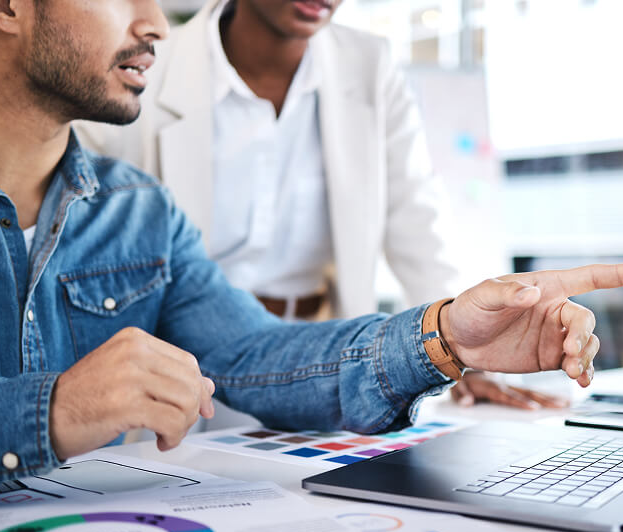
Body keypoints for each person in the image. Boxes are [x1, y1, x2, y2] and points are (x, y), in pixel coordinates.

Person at [0, 0, 623, 484]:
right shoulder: (154, 115)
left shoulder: (139, 213)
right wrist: (51, 411)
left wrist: (445, 335)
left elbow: (250, 352)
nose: (159, 24)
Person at [76, 0, 567, 412]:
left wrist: (460, 353)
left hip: (319, 359)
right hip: (183, 365)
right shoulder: (147, 67)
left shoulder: (368, 64)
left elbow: (414, 216)